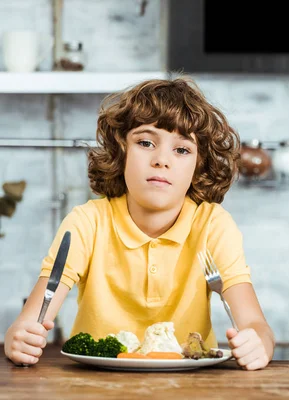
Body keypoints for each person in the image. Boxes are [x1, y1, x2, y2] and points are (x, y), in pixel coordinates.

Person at [4, 77, 275, 370]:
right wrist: (18, 338)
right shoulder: (86, 223)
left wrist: (258, 344)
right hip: (94, 384)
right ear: (121, 152)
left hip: (191, 387)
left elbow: (256, 326)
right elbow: (28, 322)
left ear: (199, 165)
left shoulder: (213, 225)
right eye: (146, 143)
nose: (161, 160)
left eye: (181, 150)